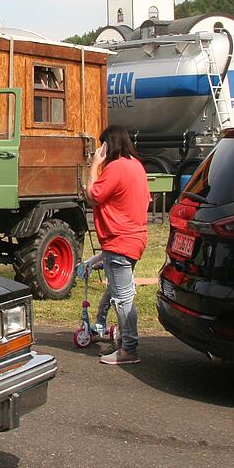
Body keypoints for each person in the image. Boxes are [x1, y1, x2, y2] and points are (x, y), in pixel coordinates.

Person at [86, 125, 150, 365]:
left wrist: (94, 165)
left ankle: (129, 349)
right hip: (135, 238)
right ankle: (113, 333)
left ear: (107, 145)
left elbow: (92, 195)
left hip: (119, 240)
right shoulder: (136, 165)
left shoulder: (116, 167)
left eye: (101, 145)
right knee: (117, 291)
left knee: (123, 299)